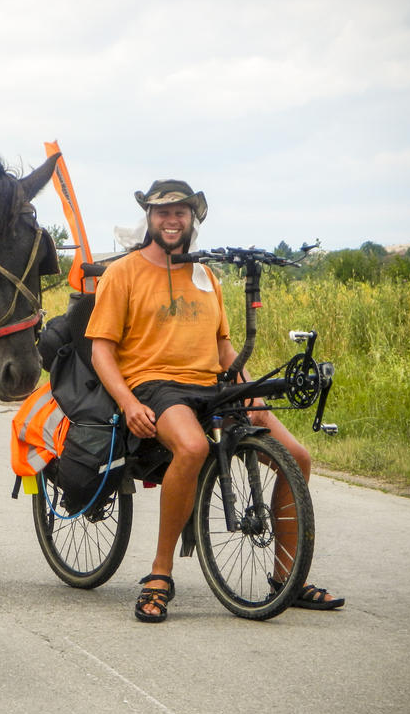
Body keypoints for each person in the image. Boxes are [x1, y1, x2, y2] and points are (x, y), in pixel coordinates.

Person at [86, 179, 344, 623]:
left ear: (193, 219)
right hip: (154, 384)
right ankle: (160, 575)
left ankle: (288, 580)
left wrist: (247, 388)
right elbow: (101, 350)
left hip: (212, 385)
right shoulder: (123, 273)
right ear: (149, 218)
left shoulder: (206, 276)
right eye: (163, 212)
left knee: (296, 457)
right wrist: (129, 404)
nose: (172, 220)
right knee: (191, 447)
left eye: (181, 212)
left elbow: (223, 345)